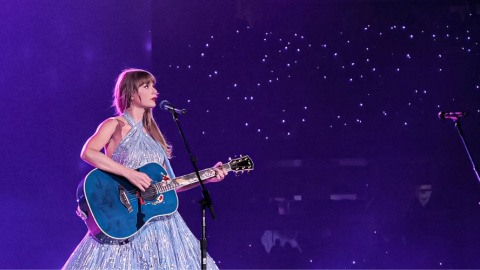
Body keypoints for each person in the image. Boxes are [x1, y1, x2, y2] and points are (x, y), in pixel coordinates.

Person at [63, 68, 227, 269]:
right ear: (132, 93)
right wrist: (129, 173)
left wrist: (206, 178)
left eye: (154, 86)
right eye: (147, 86)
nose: (155, 91)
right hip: (127, 221)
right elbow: (88, 152)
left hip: (162, 224)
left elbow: (171, 185)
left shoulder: (153, 135)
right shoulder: (114, 125)